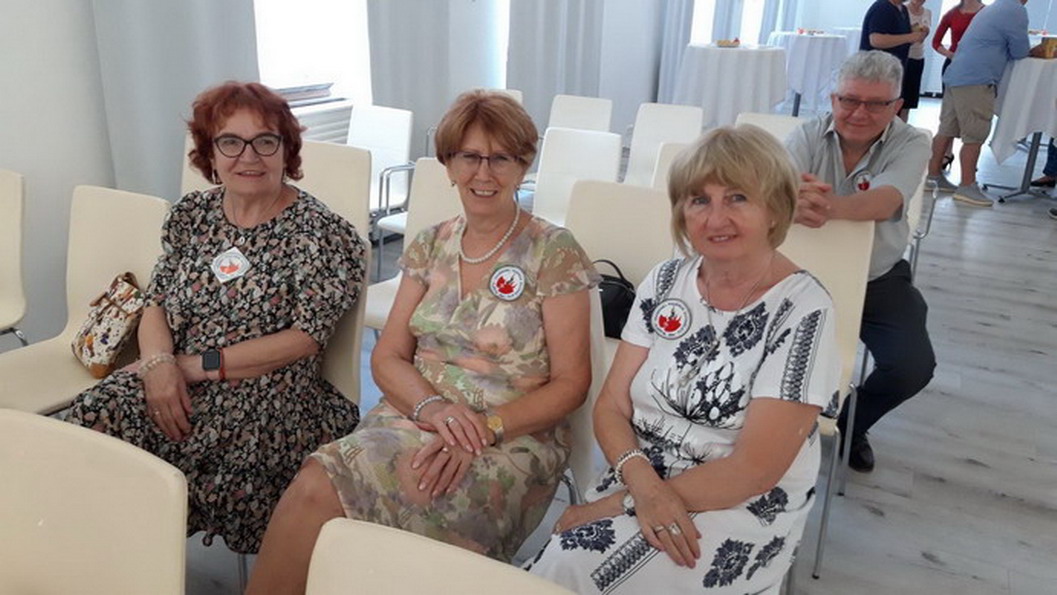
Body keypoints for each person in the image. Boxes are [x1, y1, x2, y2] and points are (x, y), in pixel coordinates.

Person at [246, 90, 599, 594]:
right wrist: (434, 410)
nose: (483, 173)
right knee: (318, 484)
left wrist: (482, 429)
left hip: (511, 434)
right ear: (448, 165)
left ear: (523, 166)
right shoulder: (431, 243)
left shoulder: (553, 251)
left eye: (501, 158)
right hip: (416, 414)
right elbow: (388, 357)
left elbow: (571, 384)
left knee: (341, 494)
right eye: (469, 156)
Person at [526, 125, 840, 594]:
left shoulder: (804, 309)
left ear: (774, 209)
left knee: (570, 564)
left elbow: (754, 469)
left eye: (737, 198)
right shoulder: (665, 280)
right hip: (641, 472)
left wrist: (619, 504)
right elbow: (611, 407)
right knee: (567, 561)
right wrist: (639, 484)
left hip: (739, 504)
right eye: (699, 200)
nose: (716, 218)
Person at [65, 82, 366, 553]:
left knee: (219, 448)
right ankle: (118, 555)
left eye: (265, 141)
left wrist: (193, 366)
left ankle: (150, 546)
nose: (249, 156)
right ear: (210, 152)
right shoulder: (193, 215)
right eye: (230, 142)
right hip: (175, 371)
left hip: (270, 390)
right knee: (92, 414)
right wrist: (157, 364)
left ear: (287, 150)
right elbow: (155, 301)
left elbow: (305, 338)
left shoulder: (320, 233)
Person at [785, 50, 935, 473]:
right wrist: (789, 197)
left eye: (876, 104)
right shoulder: (806, 134)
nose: (859, 112)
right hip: (797, 274)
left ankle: (851, 424)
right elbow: (778, 187)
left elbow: (885, 201)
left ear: (897, 106)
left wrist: (825, 206)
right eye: (849, 100)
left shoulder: (912, 142)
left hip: (877, 276)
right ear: (833, 98)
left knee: (911, 367)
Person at [926, 0, 1044, 207]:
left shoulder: (994, 7)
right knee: (975, 134)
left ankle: (933, 177)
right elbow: (1019, 51)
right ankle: (967, 186)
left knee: (946, 128)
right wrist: (1038, 50)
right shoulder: (1015, 9)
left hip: (956, 73)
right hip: (977, 79)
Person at [932, 0, 986, 169]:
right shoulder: (952, 13)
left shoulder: (986, 13)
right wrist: (950, 55)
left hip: (976, 67)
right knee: (949, 113)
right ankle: (947, 153)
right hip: (954, 64)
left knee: (972, 115)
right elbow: (936, 42)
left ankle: (970, 158)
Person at [860, 0, 929, 73]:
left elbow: (901, 36)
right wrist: (909, 37)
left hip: (893, 69)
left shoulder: (903, 10)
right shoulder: (882, 7)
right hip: (875, 69)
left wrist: (917, 34)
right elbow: (876, 40)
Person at [901, 0, 933, 121]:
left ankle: (903, 126)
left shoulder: (927, 12)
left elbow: (922, 37)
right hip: (903, 56)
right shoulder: (903, 9)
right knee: (898, 95)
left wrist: (924, 32)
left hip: (918, 57)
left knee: (909, 99)